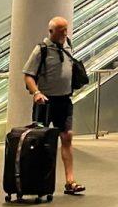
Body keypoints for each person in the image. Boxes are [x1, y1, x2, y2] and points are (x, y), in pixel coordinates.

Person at [22, 16, 85, 195]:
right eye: (61, 30)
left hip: (64, 100)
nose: (65, 33)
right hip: (45, 102)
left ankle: (70, 181)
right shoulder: (40, 50)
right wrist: (36, 93)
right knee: (41, 141)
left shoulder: (68, 45)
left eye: (66, 29)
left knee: (67, 137)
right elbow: (28, 75)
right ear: (51, 32)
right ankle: (37, 181)